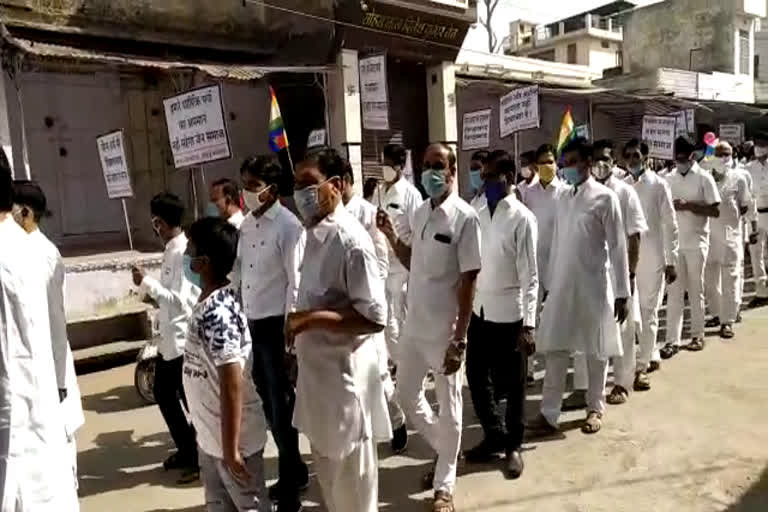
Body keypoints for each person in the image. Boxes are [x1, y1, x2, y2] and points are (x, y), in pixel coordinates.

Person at [378, 143, 481, 512]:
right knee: (406, 396)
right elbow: (412, 261)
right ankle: (446, 451)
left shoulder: (466, 219)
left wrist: (460, 338)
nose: (430, 173)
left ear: (453, 170)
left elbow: (469, 281)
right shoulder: (420, 213)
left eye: (438, 166)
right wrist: (391, 235)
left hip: (445, 332)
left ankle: (445, 486)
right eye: (425, 166)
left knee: (451, 408)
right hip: (414, 328)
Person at [287, 149, 390, 512]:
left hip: (345, 389)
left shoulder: (351, 242)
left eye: (308, 184)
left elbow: (375, 317)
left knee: (356, 499)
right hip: (319, 388)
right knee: (332, 492)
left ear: (337, 185)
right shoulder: (313, 235)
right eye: (296, 185)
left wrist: (310, 320)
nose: (300, 194)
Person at [527, 137, 630, 436]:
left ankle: (595, 408)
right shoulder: (563, 198)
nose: (566, 168)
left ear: (587, 162)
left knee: (595, 351)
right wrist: (548, 282)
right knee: (557, 350)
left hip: (593, 285)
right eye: (564, 163)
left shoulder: (604, 198)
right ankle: (548, 415)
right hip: (561, 285)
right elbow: (557, 242)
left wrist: (622, 292)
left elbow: (618, 246)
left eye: (572, 162)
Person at [0, 159, 78, 511]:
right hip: (34, 411)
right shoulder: (28, 247)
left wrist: (60, 382)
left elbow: (55, 329)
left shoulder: (36, 253)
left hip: (25, 415)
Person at [182, 217, 270, 512]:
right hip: (211, 440)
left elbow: (232, 382)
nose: (186, 254)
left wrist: (231, 450)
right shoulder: (208, 301)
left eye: (190, 249)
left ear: (203, 262)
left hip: (234, 443)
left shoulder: (219, 312)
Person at [235, 155, 307, 512]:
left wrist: (291, 336)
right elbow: (240, 275)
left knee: (282, 409)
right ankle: (296, 469)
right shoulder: (246, 225)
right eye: (245, 184)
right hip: (251, 325)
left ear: (271, 190)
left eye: (252, 185)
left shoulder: (289, 227)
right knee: (267, 406)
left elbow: (296, 283)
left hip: (276, 328)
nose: (246, 192)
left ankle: (291, 485)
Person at [465, 153, 537, 479]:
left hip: (511, 315)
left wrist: (530, 324)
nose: (485, 182)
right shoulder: (477, 211)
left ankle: (513, 447)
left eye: (492, 176)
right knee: (477, 378)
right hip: (479, 311)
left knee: (514, 385)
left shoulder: (522, 218)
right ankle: (494, 434)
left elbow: (530, 276)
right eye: (484, 175)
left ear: (507, 177)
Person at [340, 159, 408, 453]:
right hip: (342, 310)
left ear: (343, 180)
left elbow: (381, 260)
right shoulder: (326, 218)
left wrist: (370, 298)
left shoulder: (368, 214)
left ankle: (397, 421)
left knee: (380, 372)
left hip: (368, 306)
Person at [132, 193, 200, 480]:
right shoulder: (172, 249)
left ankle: (199, 459)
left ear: (159, 222)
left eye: (155, 221)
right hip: (169, 341)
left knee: (190, 403)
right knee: (164, 394)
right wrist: (150, 294)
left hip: (183, 342)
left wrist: (147, 282)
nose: (154, 227)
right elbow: (168, 299)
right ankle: (188, 449)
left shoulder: (182, 251)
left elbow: (182, 301)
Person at [588, 140, 648, 405]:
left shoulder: (625, 192)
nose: (601, 164)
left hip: (619, 271)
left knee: (623, 329)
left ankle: (622, 383)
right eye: (596, 159)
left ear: (614, 163)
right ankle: (589, 389)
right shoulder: (582, 192)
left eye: (606, 159)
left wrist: (631, 274)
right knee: (593, 331)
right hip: (591, 273)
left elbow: (634, 236)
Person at [623, 139, 679, 383]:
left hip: (654, 256)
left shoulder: (659, 185)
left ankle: (642, 366)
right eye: (628, 156)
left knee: (649, 311)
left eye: (636, 156)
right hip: (628, 258)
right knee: (631, 313)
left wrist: (670, 260)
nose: (632, 161)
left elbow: (670, 223)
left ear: (645, 157)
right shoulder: (622, 187)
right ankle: (650, 351)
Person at [660, 137, 720, 358]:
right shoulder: (667, 179)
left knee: (696, 290)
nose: (680, 162)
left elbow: (715, 211)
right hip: (675, 246)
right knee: (674, 293)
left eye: (683, 159)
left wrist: (689, 206)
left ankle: (697, 335)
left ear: (692, 156)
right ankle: (671, 341)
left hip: (696, 242)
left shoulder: (704, 178)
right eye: (677, 159)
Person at [376, 144, 423, 375]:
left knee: (401, 317)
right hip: (382, 265)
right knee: (386, 319)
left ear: (400, 167)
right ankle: (398, 362)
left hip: (403, 265)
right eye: (383, 163)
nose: (384, 168)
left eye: (388, 164)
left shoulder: (411, 194)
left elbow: (417, 231)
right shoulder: (379, 191)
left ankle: (409, 366)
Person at [520, 144, 565, 384]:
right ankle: (528, 369)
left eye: (550, 161)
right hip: (534, 264)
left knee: (557, 319)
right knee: (530, 319)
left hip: (558, 263)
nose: (547, 166)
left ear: (556, 163)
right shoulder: (527, 193)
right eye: (542, 162)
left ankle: (556, 371)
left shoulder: (566, 192)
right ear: (536, 166)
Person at [702, 142, 752, 338]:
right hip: (708, 236)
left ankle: (728, 321)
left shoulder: (739, 178)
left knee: (730, 279)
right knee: (710, 280)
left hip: (730, 236)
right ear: (713, 155)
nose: (723, 157)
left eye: (727, 154)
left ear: (733, 155)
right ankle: (716, 313)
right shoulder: (705, 177)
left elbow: (745, 205)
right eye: (720, 153)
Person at [746, 131, 768, 307]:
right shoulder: (748, 169)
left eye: (763, 143)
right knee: (756, 254)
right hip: (756, 216)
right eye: (757, 143)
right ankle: (762, 292)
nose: (760, 147)